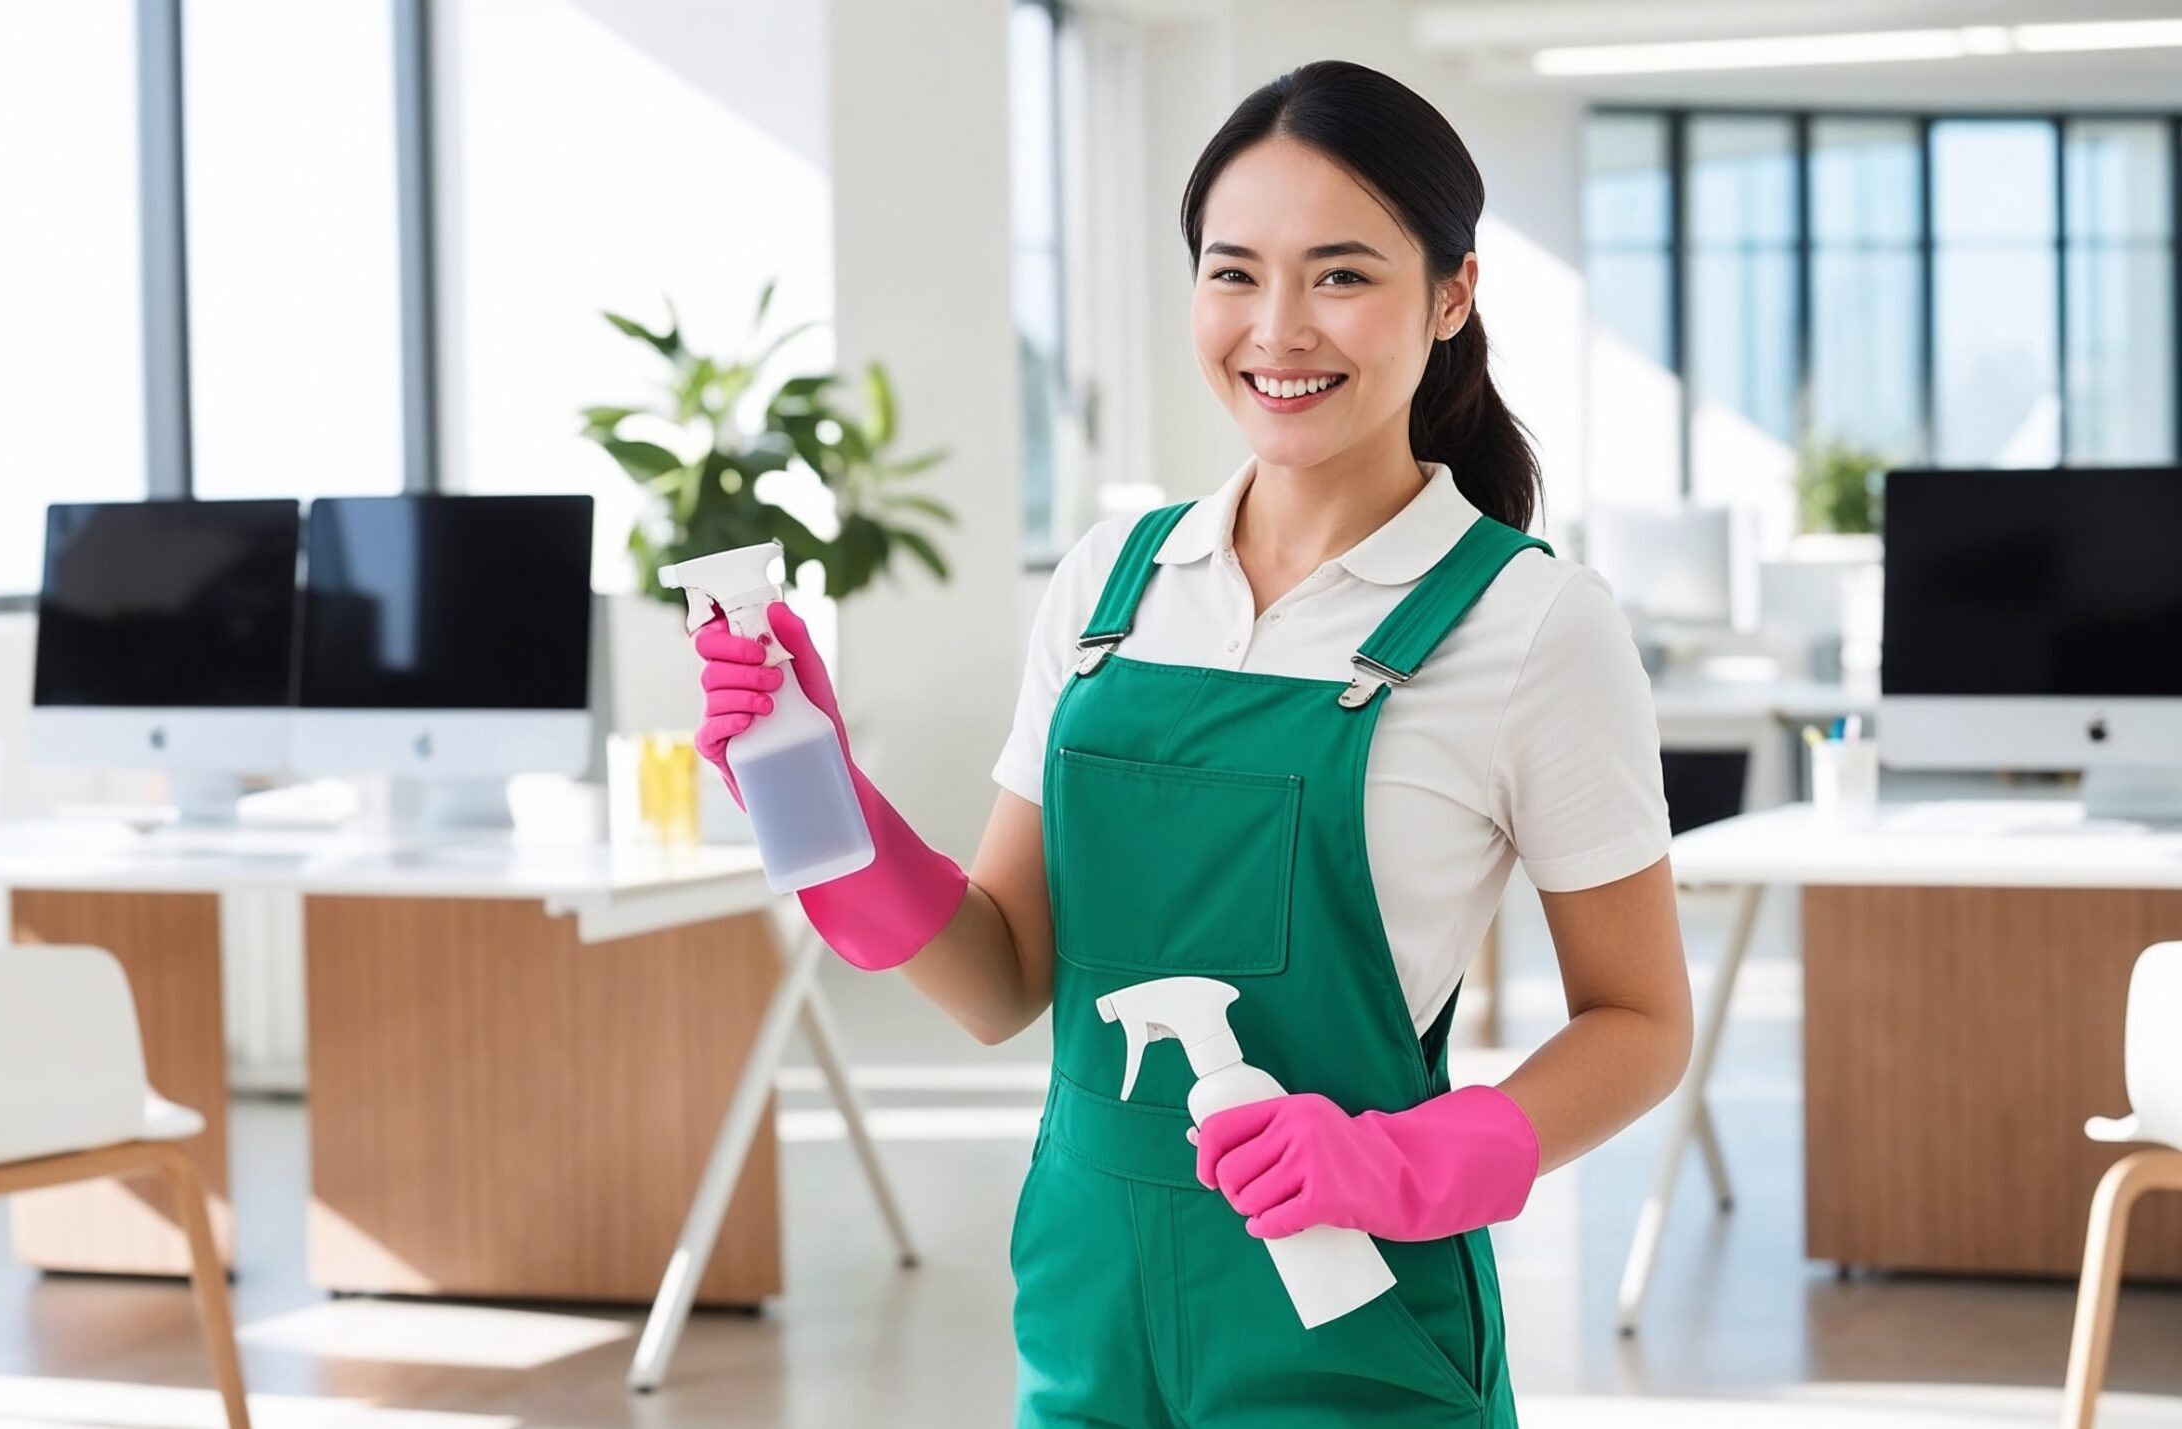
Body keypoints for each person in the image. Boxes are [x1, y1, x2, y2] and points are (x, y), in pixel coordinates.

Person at [690, 58, 1690, 1429]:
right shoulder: (1114, 585)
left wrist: (1399, 1165)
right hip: (1087, 1306)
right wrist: (812, 787)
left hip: (1352, 1319)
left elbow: (1641, 1023)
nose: (1279, 328)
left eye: (1341, 274)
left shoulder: (1532, 625)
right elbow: (999, 976)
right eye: (1234, 273)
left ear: (1452, 295)